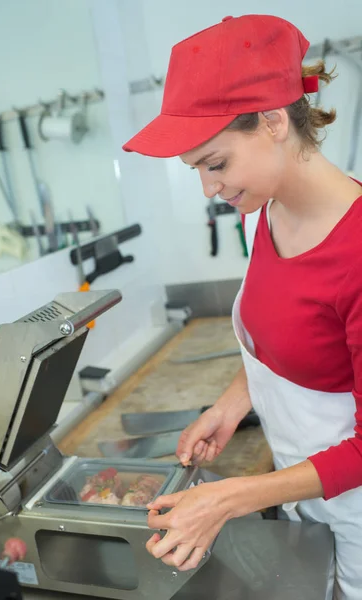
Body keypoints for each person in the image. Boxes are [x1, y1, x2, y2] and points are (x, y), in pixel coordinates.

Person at [123, 14, 362, 600]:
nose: (209, 189)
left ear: (275, 121)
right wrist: (233, 403)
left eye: (216, 164)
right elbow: (285, 338)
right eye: (197, 170)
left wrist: (228, 498)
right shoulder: (267, 209)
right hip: (303, 492)